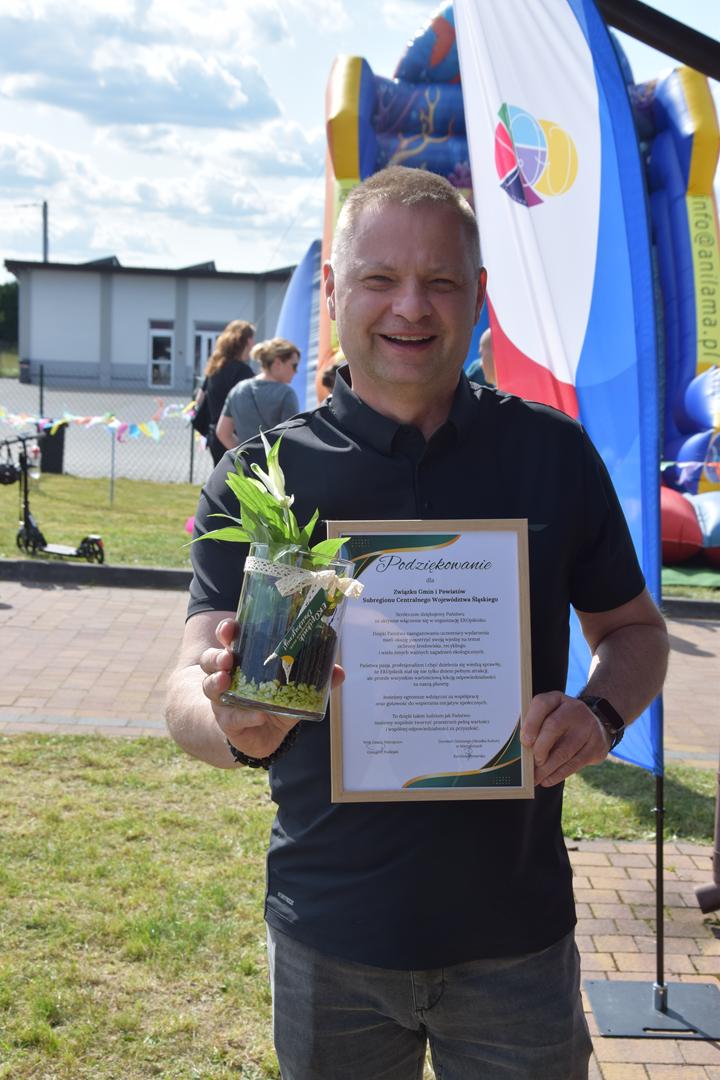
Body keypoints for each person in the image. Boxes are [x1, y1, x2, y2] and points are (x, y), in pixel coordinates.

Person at [166, 166, 668, 1079]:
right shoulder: (264, 476)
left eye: (440, 280)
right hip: (331, 938)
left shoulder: (550, 454)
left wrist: (600, 714)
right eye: (380, 278)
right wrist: (231, 722)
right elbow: (184, 686)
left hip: (517, 943)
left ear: (479, 295)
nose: (411, 306)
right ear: (332, 290)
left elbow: (636, 631)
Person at [215, 338, 300, 452]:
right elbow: (292, 438)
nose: (296, 371)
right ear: (277, 363)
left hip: (246, 461)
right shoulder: (286, 394)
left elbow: (222, 432)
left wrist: (243, 453)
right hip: (277, 462)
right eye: (294, 365)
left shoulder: (238, 390)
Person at [194, 320, 255, 465]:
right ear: (248, 341)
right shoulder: (243, 371)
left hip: (214, 436)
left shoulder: (214, 368)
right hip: (234, 438)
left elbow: (199, 399)